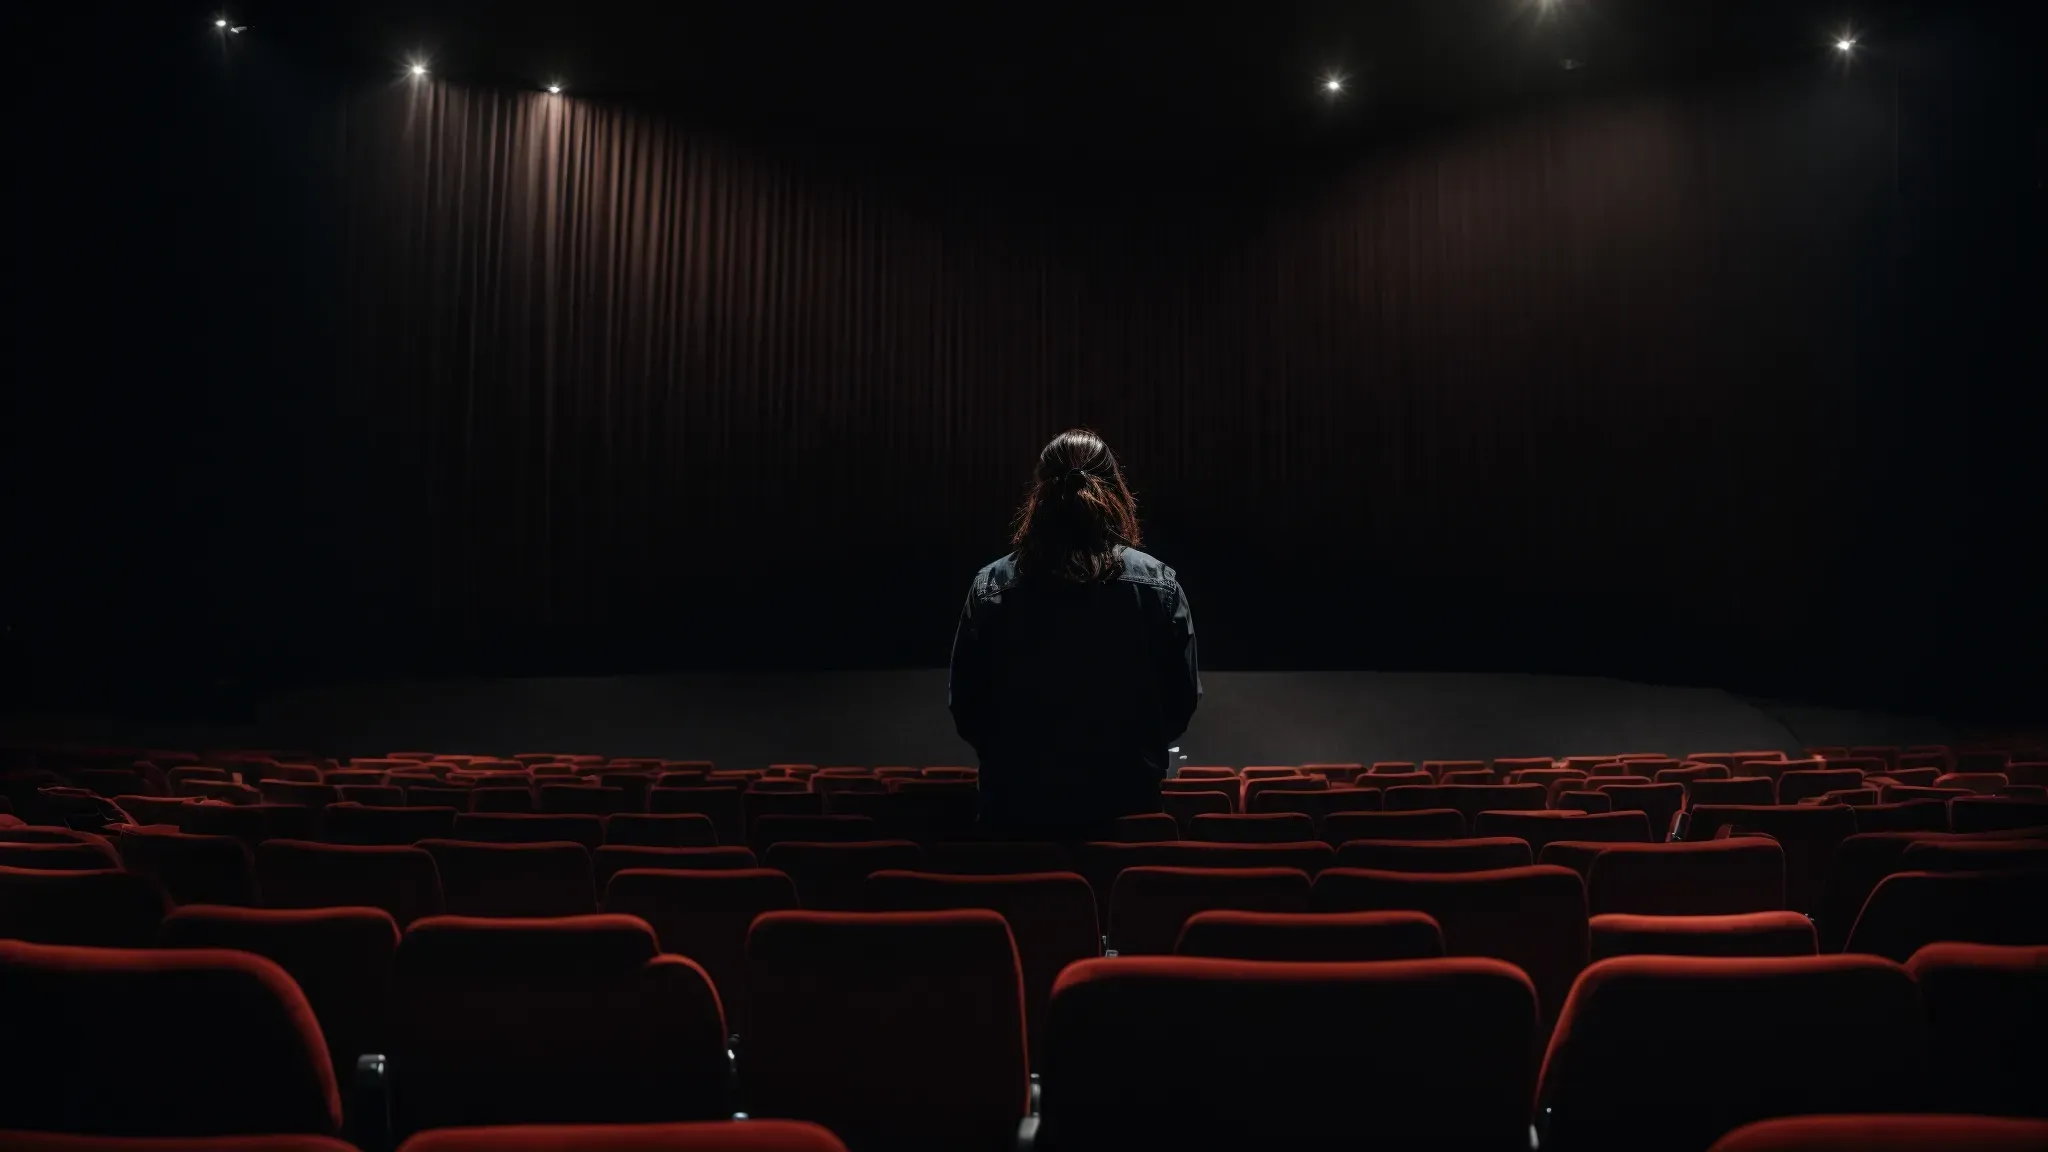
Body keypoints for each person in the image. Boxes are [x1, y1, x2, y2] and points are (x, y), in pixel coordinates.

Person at [947, 428, 1201, 839]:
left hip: (1017, 813)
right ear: (1115, 491)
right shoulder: (1159, 585)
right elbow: (1180, 701)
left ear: (1039, 496)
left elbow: (967, 705)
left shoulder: (992, 585)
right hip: (1126, 808)